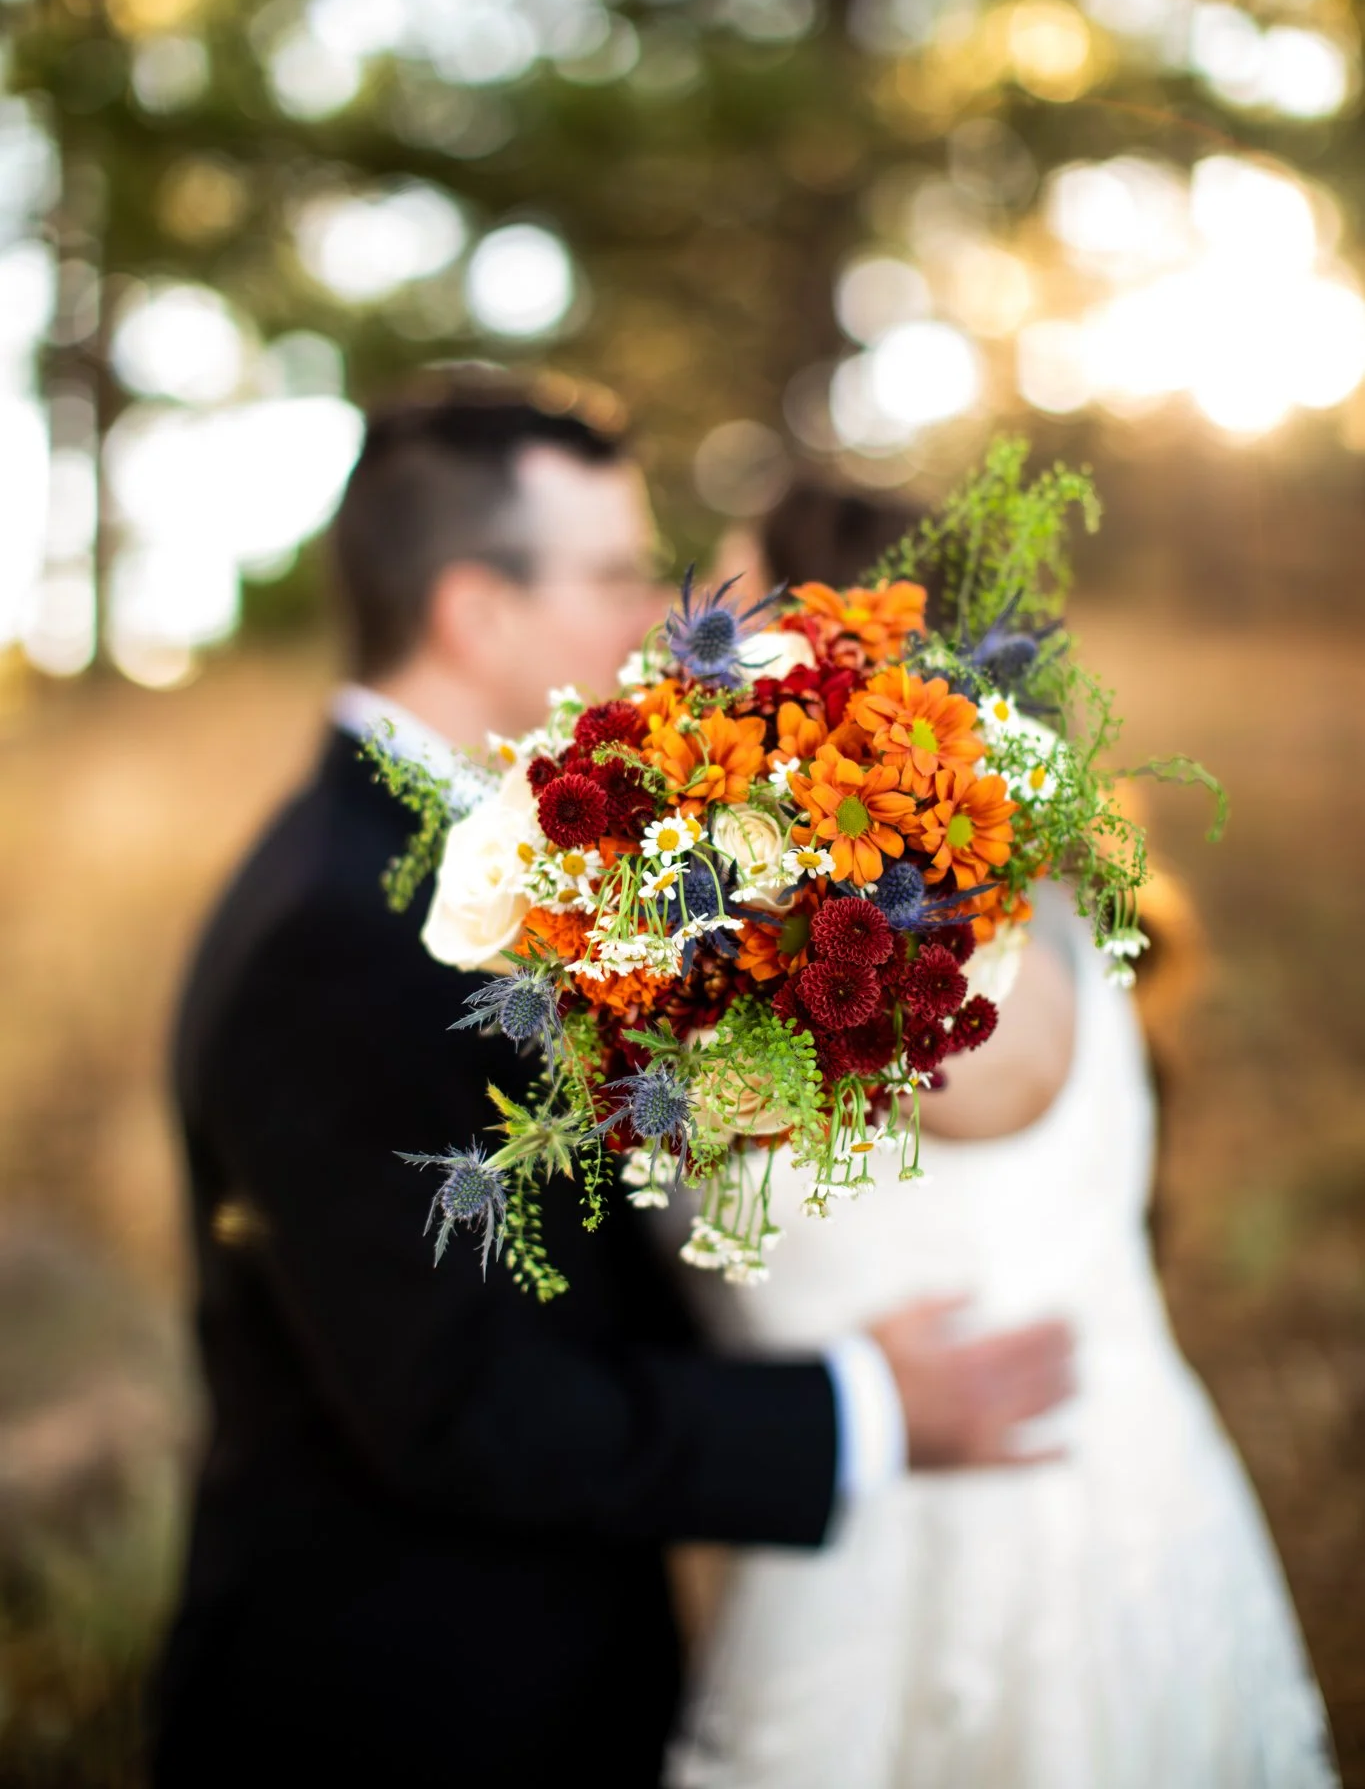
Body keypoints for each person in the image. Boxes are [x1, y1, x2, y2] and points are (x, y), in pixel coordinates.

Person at [150, 368, 1076, 1789]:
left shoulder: (526, 868)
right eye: (616, 568)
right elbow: (457, 1405)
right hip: (401, 1709)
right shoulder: (337, 928)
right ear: (476, 609)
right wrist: (861, 1411)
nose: (662, 609)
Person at [660, 489, 1338, 1788]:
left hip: (1038, 1566)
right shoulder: (752, 909)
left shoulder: (973, 946)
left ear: (847, 666)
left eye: (730, 610)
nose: (685, 646)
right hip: (852, 1553)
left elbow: (933, 1069)